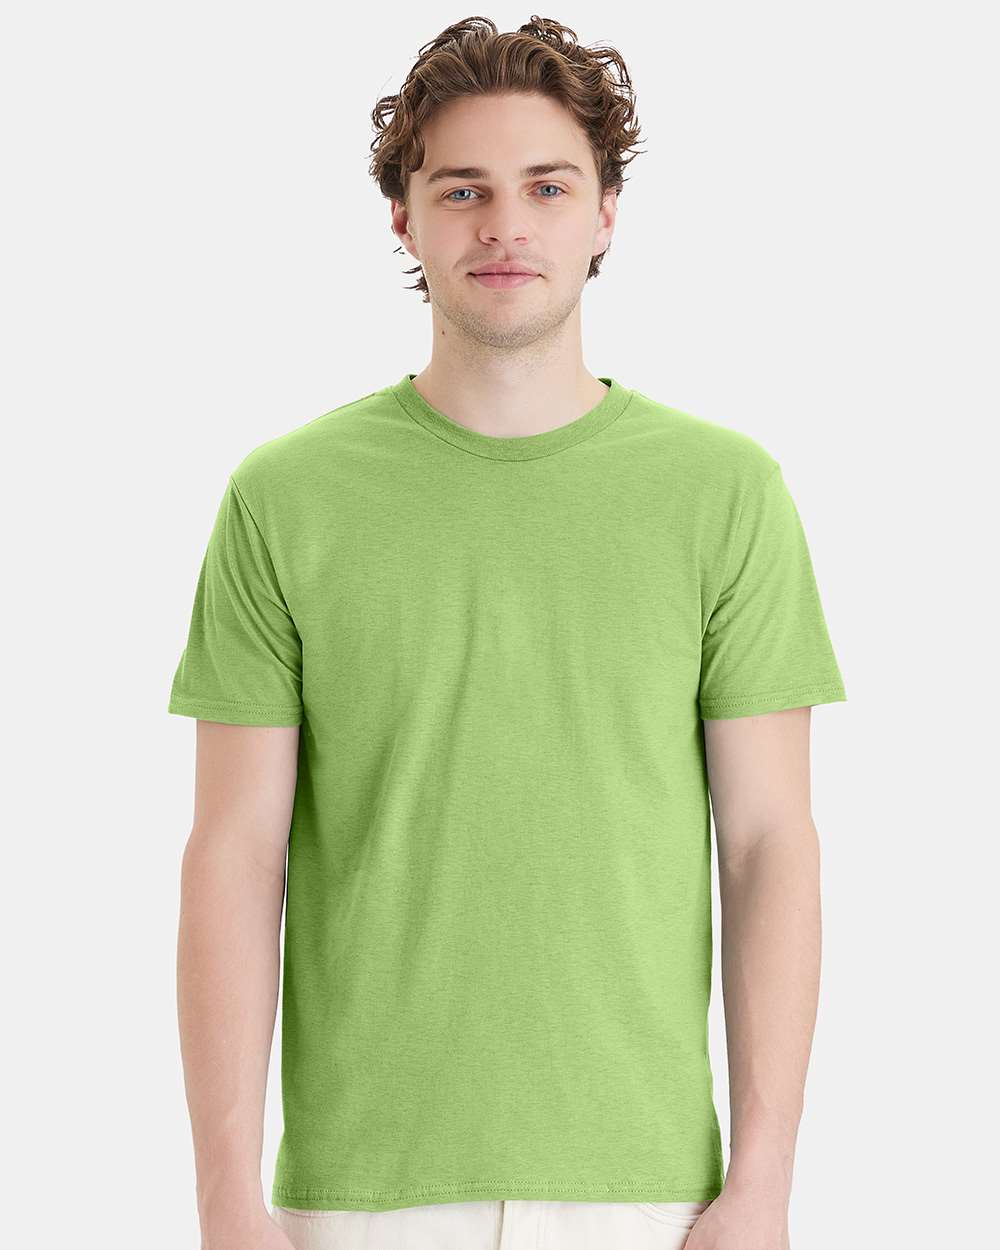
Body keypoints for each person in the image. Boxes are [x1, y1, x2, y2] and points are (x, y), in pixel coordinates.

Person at [170, 16, 846, 1250]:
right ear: (403, 218)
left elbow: (767, 846)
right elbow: (235, 853)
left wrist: (763, 1182)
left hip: (650, 1188)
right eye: (462, 189)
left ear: (605, 215)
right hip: (355, 1192)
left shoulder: (725, 492)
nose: (504, 225)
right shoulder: (285, 497)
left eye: (546, 186)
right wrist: (224, 1198)